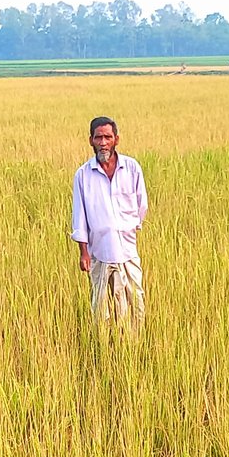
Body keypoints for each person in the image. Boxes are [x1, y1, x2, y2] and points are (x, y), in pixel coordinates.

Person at [71, 116, 147, 327]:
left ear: (116, 139)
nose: (103, 142)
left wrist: (127, 228)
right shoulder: (83, 175)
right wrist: (83, 252)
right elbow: (79, 217)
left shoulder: (131, 168)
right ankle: (105, 347)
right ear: (90, 141)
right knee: (102, 309)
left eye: (107, 137)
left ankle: (133, 347)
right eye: (98, 138)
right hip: (99, 253)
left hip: (128, 251)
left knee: (135, 304)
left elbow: (142, 205)